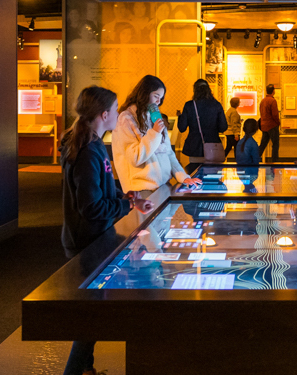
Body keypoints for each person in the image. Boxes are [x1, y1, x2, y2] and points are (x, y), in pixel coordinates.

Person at [59, 85, 154, 375]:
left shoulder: (92, 145)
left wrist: (128, 200)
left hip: (89, 237)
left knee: (93, 311)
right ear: (104, 114)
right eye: (114, 110)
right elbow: (92, 208)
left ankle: (84, 368)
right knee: (91, 315)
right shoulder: (88, 151)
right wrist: (125, 207)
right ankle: (75, 370)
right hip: (87, 240)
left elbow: (103, 189)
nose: (118, 114)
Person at [112, 75, 201, 195]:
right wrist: (154, 133)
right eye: (156, 96)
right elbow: (134, 157)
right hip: (141, 189)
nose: (158, 102)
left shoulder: (155, 118)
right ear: (144, 93)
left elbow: (169, 153)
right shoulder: (126, 118)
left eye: (161, 98)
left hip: (163, 186)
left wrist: (183, 177)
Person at [177, 79, 228, 174]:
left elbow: (182, 128)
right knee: (213, 176)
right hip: (213, 147)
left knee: (194, 175)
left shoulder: (189, 105)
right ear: (209, 90)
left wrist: (180, 117)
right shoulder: (217, 105)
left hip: (195, 147)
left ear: (195, 91)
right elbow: (223, 127)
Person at [259, 84, 280, 162]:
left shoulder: (263, 101)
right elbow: (275, 114)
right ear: (273, 91)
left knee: (263, 144)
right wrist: (278, 122)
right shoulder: (272, 101)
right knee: (275, 144)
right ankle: (274, 161)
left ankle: (255, 158)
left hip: (264, 126)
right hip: (272, 125)